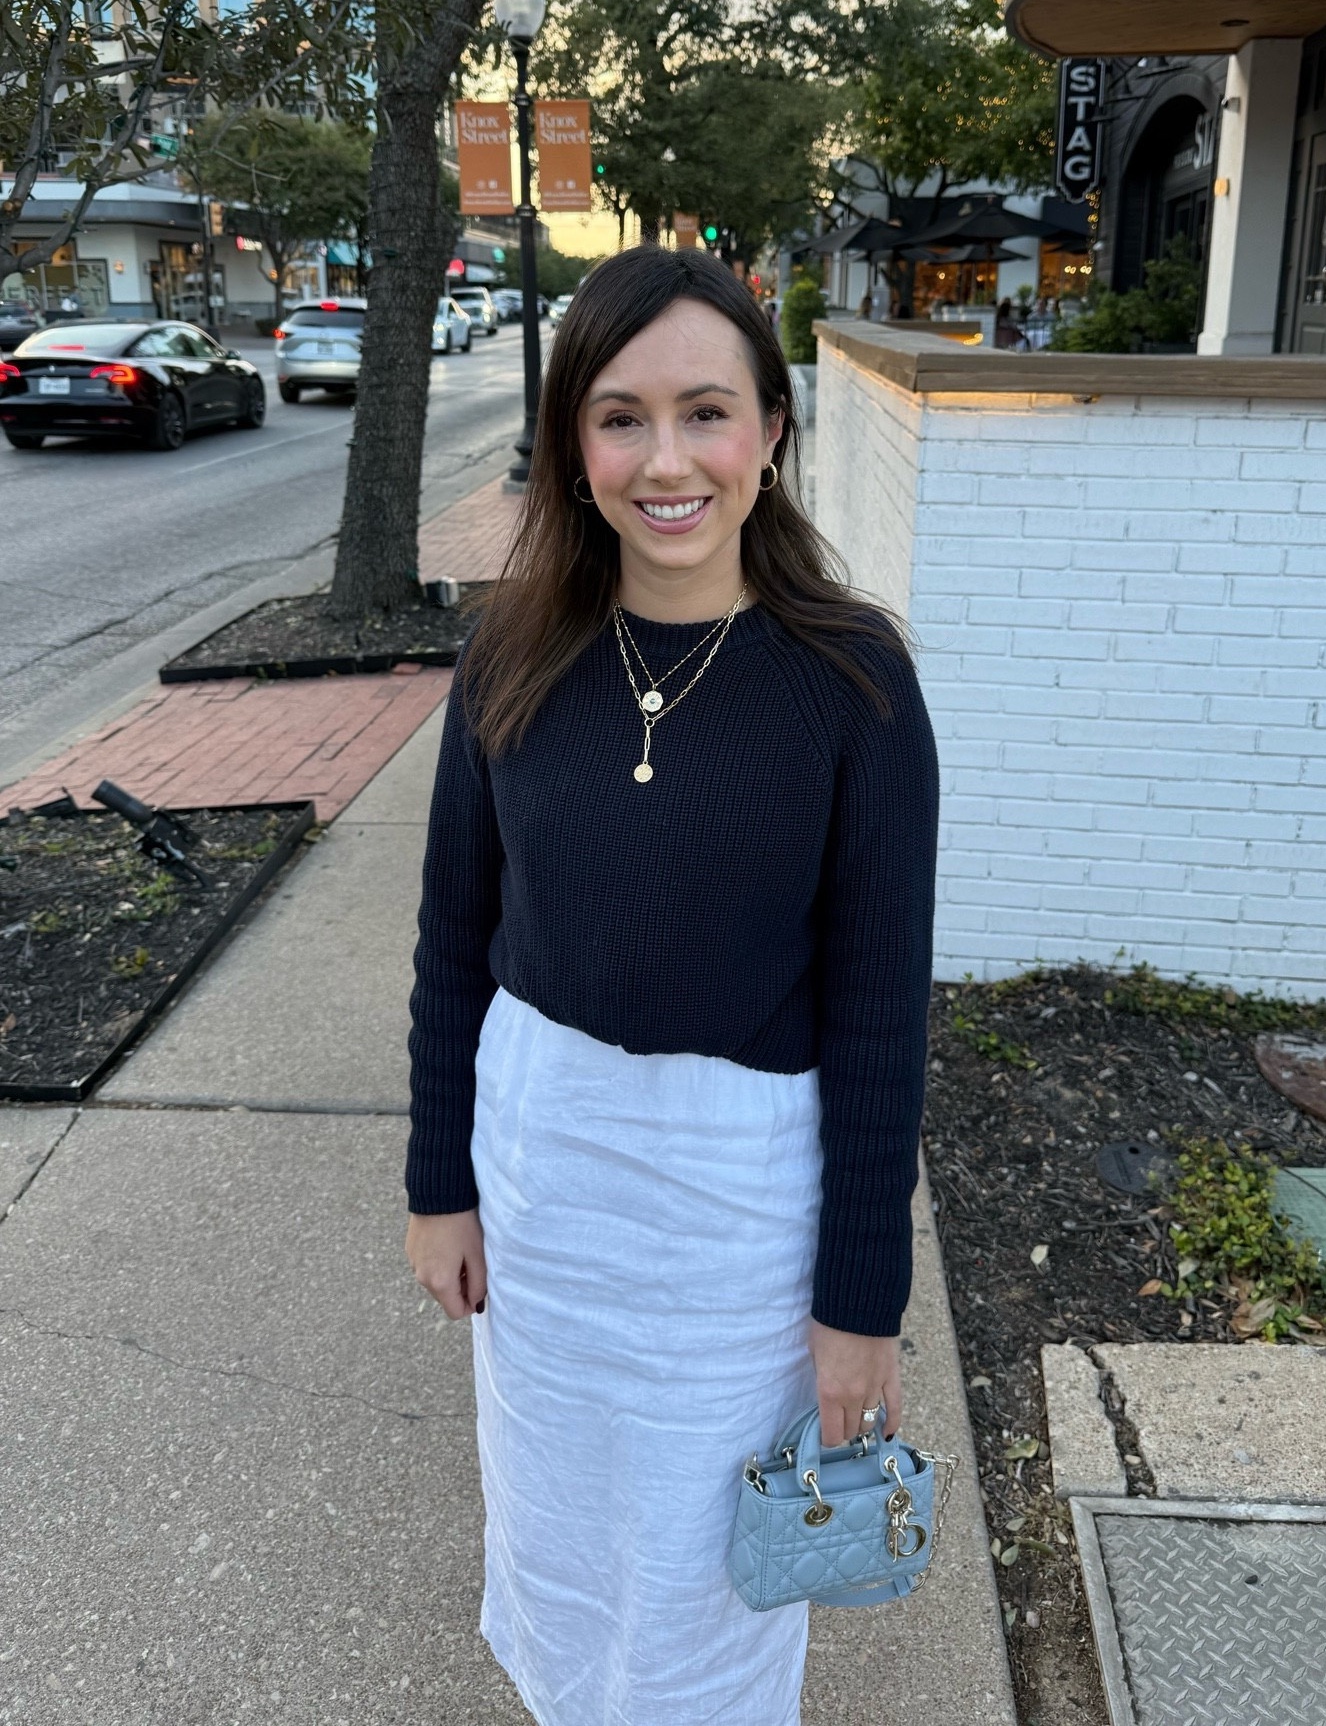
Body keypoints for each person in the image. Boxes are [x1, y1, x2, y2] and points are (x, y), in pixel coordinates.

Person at [404, 244, 939, 1726]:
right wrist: (437, 1181)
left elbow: (882, 1016)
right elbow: (455, 940)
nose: (666, 460)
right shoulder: (510, 653)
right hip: (545, 1175)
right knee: (562, 1525)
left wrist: (860, 1304)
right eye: (621, 417)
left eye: (706, 411)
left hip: (737, 1212)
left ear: (773, 428)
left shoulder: (856, 685)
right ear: (574, 445)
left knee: (707, 1570)